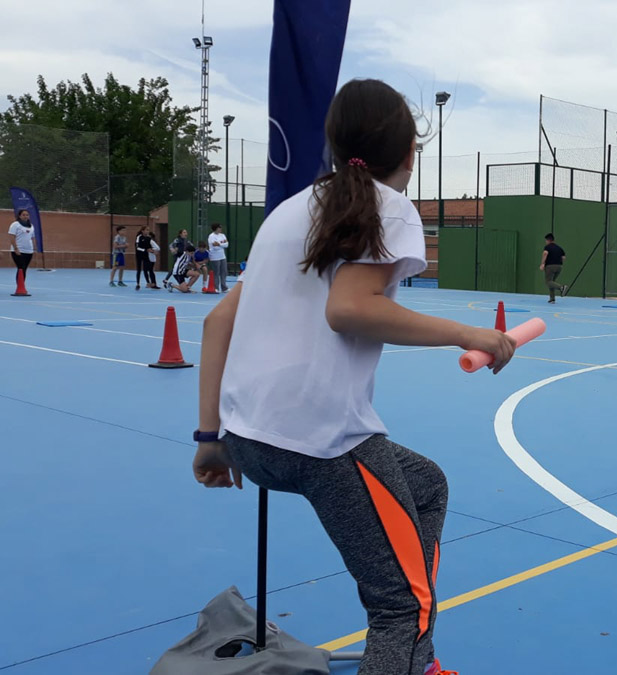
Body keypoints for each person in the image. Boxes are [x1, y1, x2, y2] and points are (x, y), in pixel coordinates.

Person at [191, 78, 511, 675]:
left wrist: (210, 440)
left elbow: (216, 323)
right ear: (411, 152)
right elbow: (351, 308)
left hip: (248, 442)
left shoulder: (288, 212)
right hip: (325, 445)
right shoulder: (389, 206)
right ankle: (408, 651)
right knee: (399, 609)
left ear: (334, 147)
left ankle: (417, 660)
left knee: (427, 485)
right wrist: (468, 333)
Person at [9, 209, 36, 288]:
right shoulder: (15, 224)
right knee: (21, 268)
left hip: (29, 251)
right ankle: (20, 286)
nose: (25, 216)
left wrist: (34, 247)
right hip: (19, 251)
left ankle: (22, 285)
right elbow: (11, 236)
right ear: (20, 216)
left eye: (27, 215)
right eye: (23, 215)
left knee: (24, 269)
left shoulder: (31, 225)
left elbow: (32, 237)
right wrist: (16, 248)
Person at [540, 233, 567, 303]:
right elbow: (563, 257)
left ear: (548, 240)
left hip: (550, 266)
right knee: (552, 282)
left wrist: (542, 263)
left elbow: (545, 253)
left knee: (548, 281)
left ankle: (561, 287)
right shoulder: (559, 248)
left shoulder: (547, 247)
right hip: (559, 267)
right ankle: (552, 299)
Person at [208, 223, 230, 293]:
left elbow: (226, 245)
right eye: (219, 228)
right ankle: (216, 287)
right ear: (216, 228)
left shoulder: (222, 235)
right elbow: (214, 246)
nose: (220, 229)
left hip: (222, 256)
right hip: (214, 257)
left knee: (224, 272)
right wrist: (221, 245)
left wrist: (219, 244)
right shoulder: (211, 236)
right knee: (216, 273)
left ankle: (224, 288)